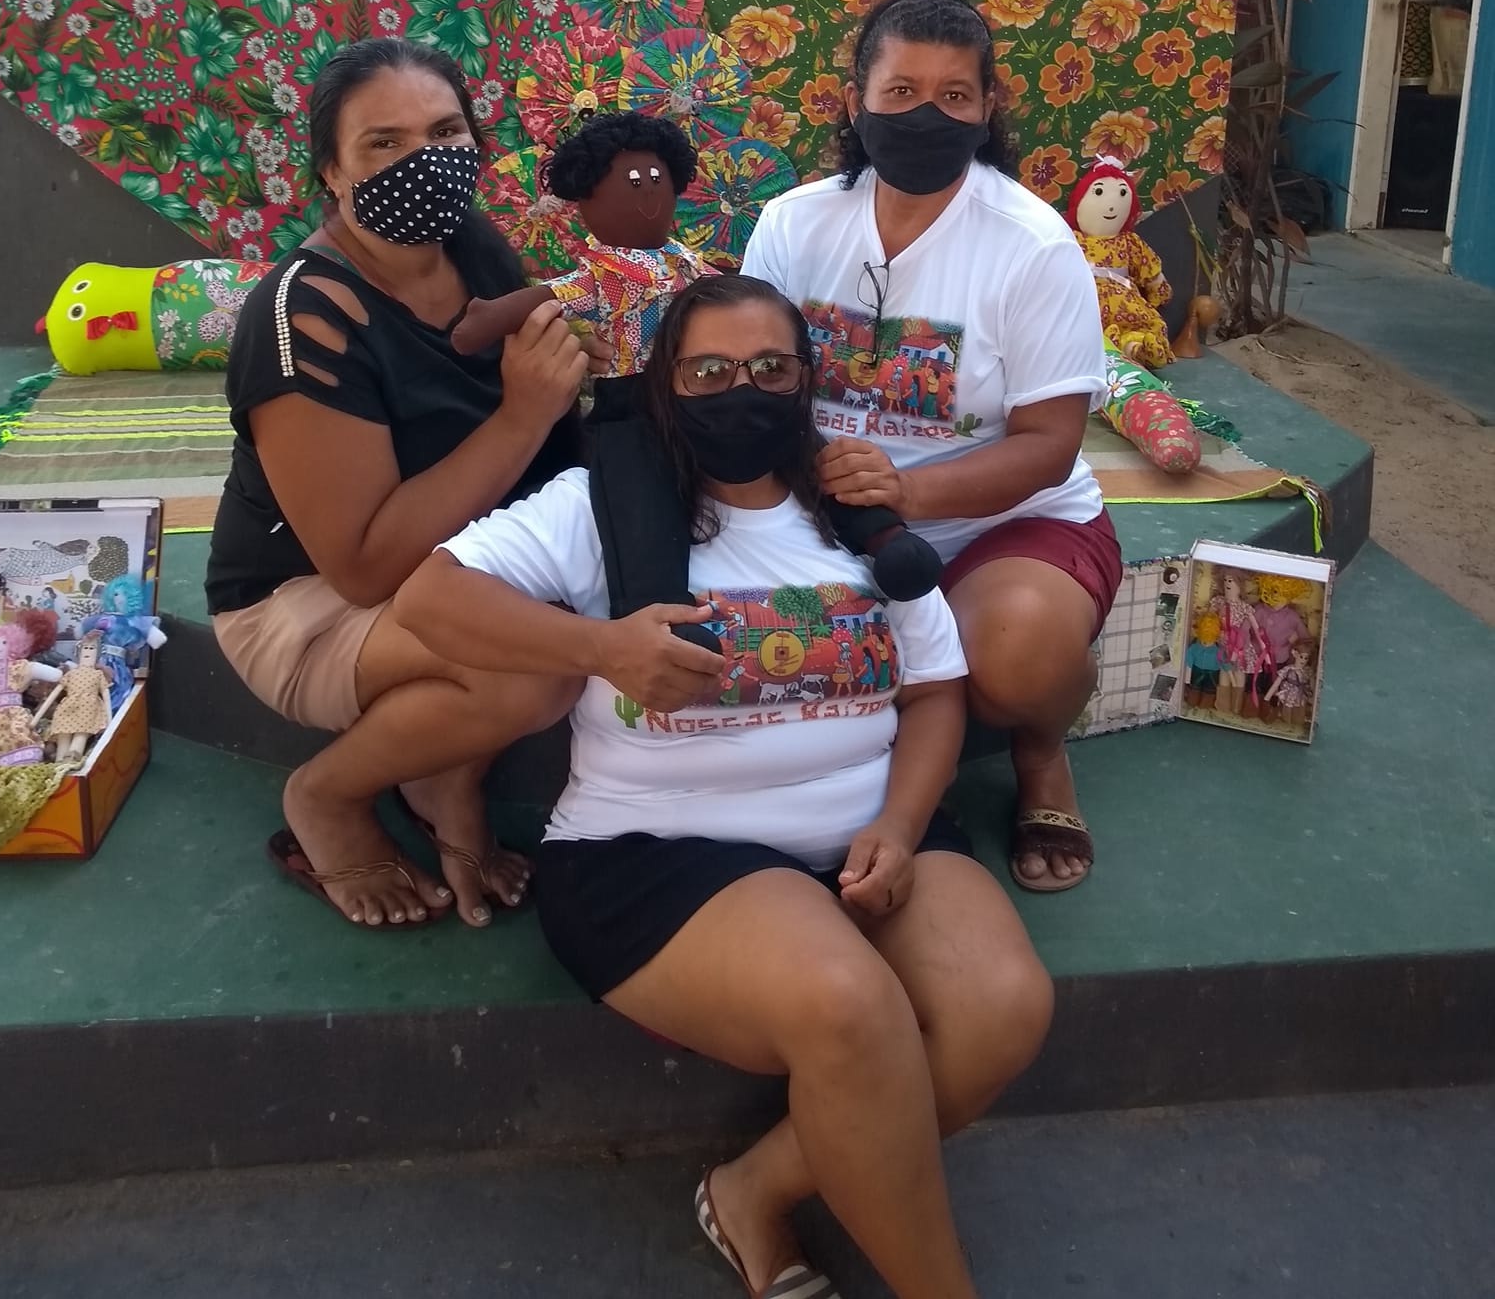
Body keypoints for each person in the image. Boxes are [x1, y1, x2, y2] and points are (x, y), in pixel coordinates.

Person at [396, 275, 1052, 1299]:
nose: (739, 390)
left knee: (1002, 1007)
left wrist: (899, 821)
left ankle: (751, 1188)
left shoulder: (857, 514)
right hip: (657, 851)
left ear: (805, 381)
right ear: (666, 382)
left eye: (769, 369)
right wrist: (602, 647)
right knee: (848, 1004)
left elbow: (933, 691)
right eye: (707, 370)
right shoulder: (606, 505)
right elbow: (428, 598)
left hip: (867, 824)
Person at [205, 38, 591, 931]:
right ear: (331, 171)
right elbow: (363, 566)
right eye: (384, 142)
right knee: (539, 666)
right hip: (303, 602)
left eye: (445, 132)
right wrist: (521, 416)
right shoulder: (302, 315)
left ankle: (441, 777)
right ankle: (326, 795)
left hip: (454, 560)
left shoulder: (471, 247)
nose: (424, 160)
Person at [741, 0, 1117, 894]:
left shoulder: (1033, 246)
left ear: (988, 108)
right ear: (853, 101)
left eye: (954, 95)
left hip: (1005, 527)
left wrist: (907, 492)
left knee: (1016, 657)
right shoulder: (794, 222)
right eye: (900, 90)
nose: (925, 114)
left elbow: (1048, 445)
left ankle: (1039, 749)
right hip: (831, 517)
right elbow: (754, 379)